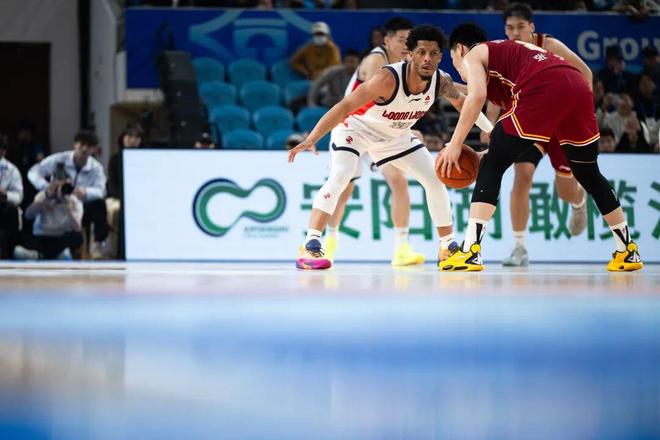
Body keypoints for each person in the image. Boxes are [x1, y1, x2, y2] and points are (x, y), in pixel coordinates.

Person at [438, 23, 643, 272]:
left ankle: (471, 252)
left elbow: (476, 96)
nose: (458, 70)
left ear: (460, 50)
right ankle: (628, 250)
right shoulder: (504, 61)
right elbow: (478, 97)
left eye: (454, 62)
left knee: (492, 165)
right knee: (589, 173)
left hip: (544, 86)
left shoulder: (474, 54)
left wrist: (455, 144)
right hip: (576, 86)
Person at [288, 24, 493, 270]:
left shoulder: (441, 81)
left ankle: (447, 247)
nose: (427, 58)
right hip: (356, 128)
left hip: (395, 136)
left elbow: (465, 104)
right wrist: (313, 137)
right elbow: (345, 106)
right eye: (421, 52)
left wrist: (492, 131)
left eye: (433, 53)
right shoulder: (387, 78)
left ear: (440, 56)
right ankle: (310, 244)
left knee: (434, 179)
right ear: (410, 54)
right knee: (341, 175)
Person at [482, 3, 590, 267]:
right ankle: (519, 248)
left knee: (565, 190)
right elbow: (496, 92)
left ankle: (579, 201)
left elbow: (585, 73)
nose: (515, 32)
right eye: (510, 28)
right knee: (522, 175)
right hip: (529, 123)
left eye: (520, 27)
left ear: (532, 27)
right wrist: (489, 124)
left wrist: (581, 113)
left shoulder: (549, 45)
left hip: (560, 124)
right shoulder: (503, 52)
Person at [324, 17, 430, 266]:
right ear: (387, 40)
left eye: (410, 41)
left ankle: (401, 248)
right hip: (353, 127)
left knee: (398, 180)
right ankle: (328, 241)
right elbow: (377, 104)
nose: (406, 46)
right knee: (344, 187)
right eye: (402, 40)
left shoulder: (409, 63)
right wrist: (407, 129)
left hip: (383, 131)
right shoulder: (375, 60)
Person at [28, 130, 108, 259]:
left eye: (89, 146)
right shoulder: (60, 159)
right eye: (81, 144)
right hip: (57, 204)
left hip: (80, 205)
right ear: (75, 144)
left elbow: (102, 191)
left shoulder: (96, 167)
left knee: (99, 205)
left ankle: (98, 243)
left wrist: (86, 192)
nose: (84, 149)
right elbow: (33, 172)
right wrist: (46, 187)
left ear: (93, 149)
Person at [16, 173, 84, 260]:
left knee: (77, 237)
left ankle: (39, 256)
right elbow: (27, 215)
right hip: (42, 236)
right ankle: (54, 256)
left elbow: (77, 228)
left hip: (61, 237)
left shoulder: (74, 200)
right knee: (22, 236)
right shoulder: (43, 195)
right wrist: (43, 203)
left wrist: (68, 208)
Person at [0, 133, 23, 259]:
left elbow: (19, 196)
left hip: (3, 205)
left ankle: (9, 252)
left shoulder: (12, 170)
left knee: (12, 210)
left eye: (2, 149)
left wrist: (5, 194)